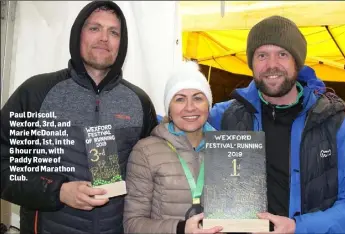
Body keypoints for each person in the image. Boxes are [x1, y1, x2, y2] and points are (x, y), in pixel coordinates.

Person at [0, 1, 157, 234]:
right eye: (95, 28)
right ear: (77, 34)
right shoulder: (36, 92)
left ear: (122, 44)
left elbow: (154, 170)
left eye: (113, 32)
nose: (104, 38)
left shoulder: (139, 101)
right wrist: (58, 190)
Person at [208, 15, 345, 233]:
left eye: (282, 54)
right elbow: (172, 128)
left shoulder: (333, 123)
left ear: (297, 61)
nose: (271, 65)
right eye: (262, 55)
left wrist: (298, 227)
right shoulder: (223, 116)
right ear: (251, 63)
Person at [123, 61, 223, 234]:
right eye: (180, 99)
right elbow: (132, 224)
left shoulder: (226, 149)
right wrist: (180, 229)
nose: (190, 107)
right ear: (169, 108)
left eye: (198, 98)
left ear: (209, 105)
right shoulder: (145, 152)